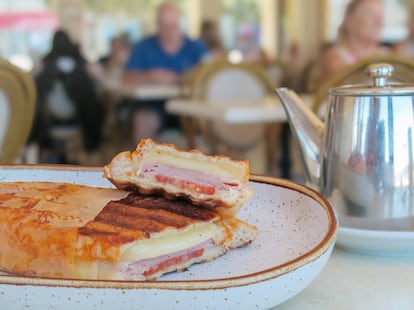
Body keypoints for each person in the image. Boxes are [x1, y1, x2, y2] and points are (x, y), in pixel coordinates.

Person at [122, 2, 208, 143]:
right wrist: (152, 75)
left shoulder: (196, 47)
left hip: (189, 104)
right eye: (164, 26)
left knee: (208, 121)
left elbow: (211, 74)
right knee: (142, 120)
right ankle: (143, 162)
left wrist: (187, 78)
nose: (169, 31)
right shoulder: (144, 47)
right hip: (153, 105)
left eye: (173, 26)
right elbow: (127, 78)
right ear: (157, 24)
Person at [31, 29, 104, 163]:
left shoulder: (45, 63)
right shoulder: (82, 63)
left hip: (49, 124)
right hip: (81, 122)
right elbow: (103, 79)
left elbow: (28, 81)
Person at [320, 0, 389, 81]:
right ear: (349, 19)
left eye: (381, 16)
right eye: (370, 14)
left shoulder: (389, 56)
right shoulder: (334, 59)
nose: (379, 22)